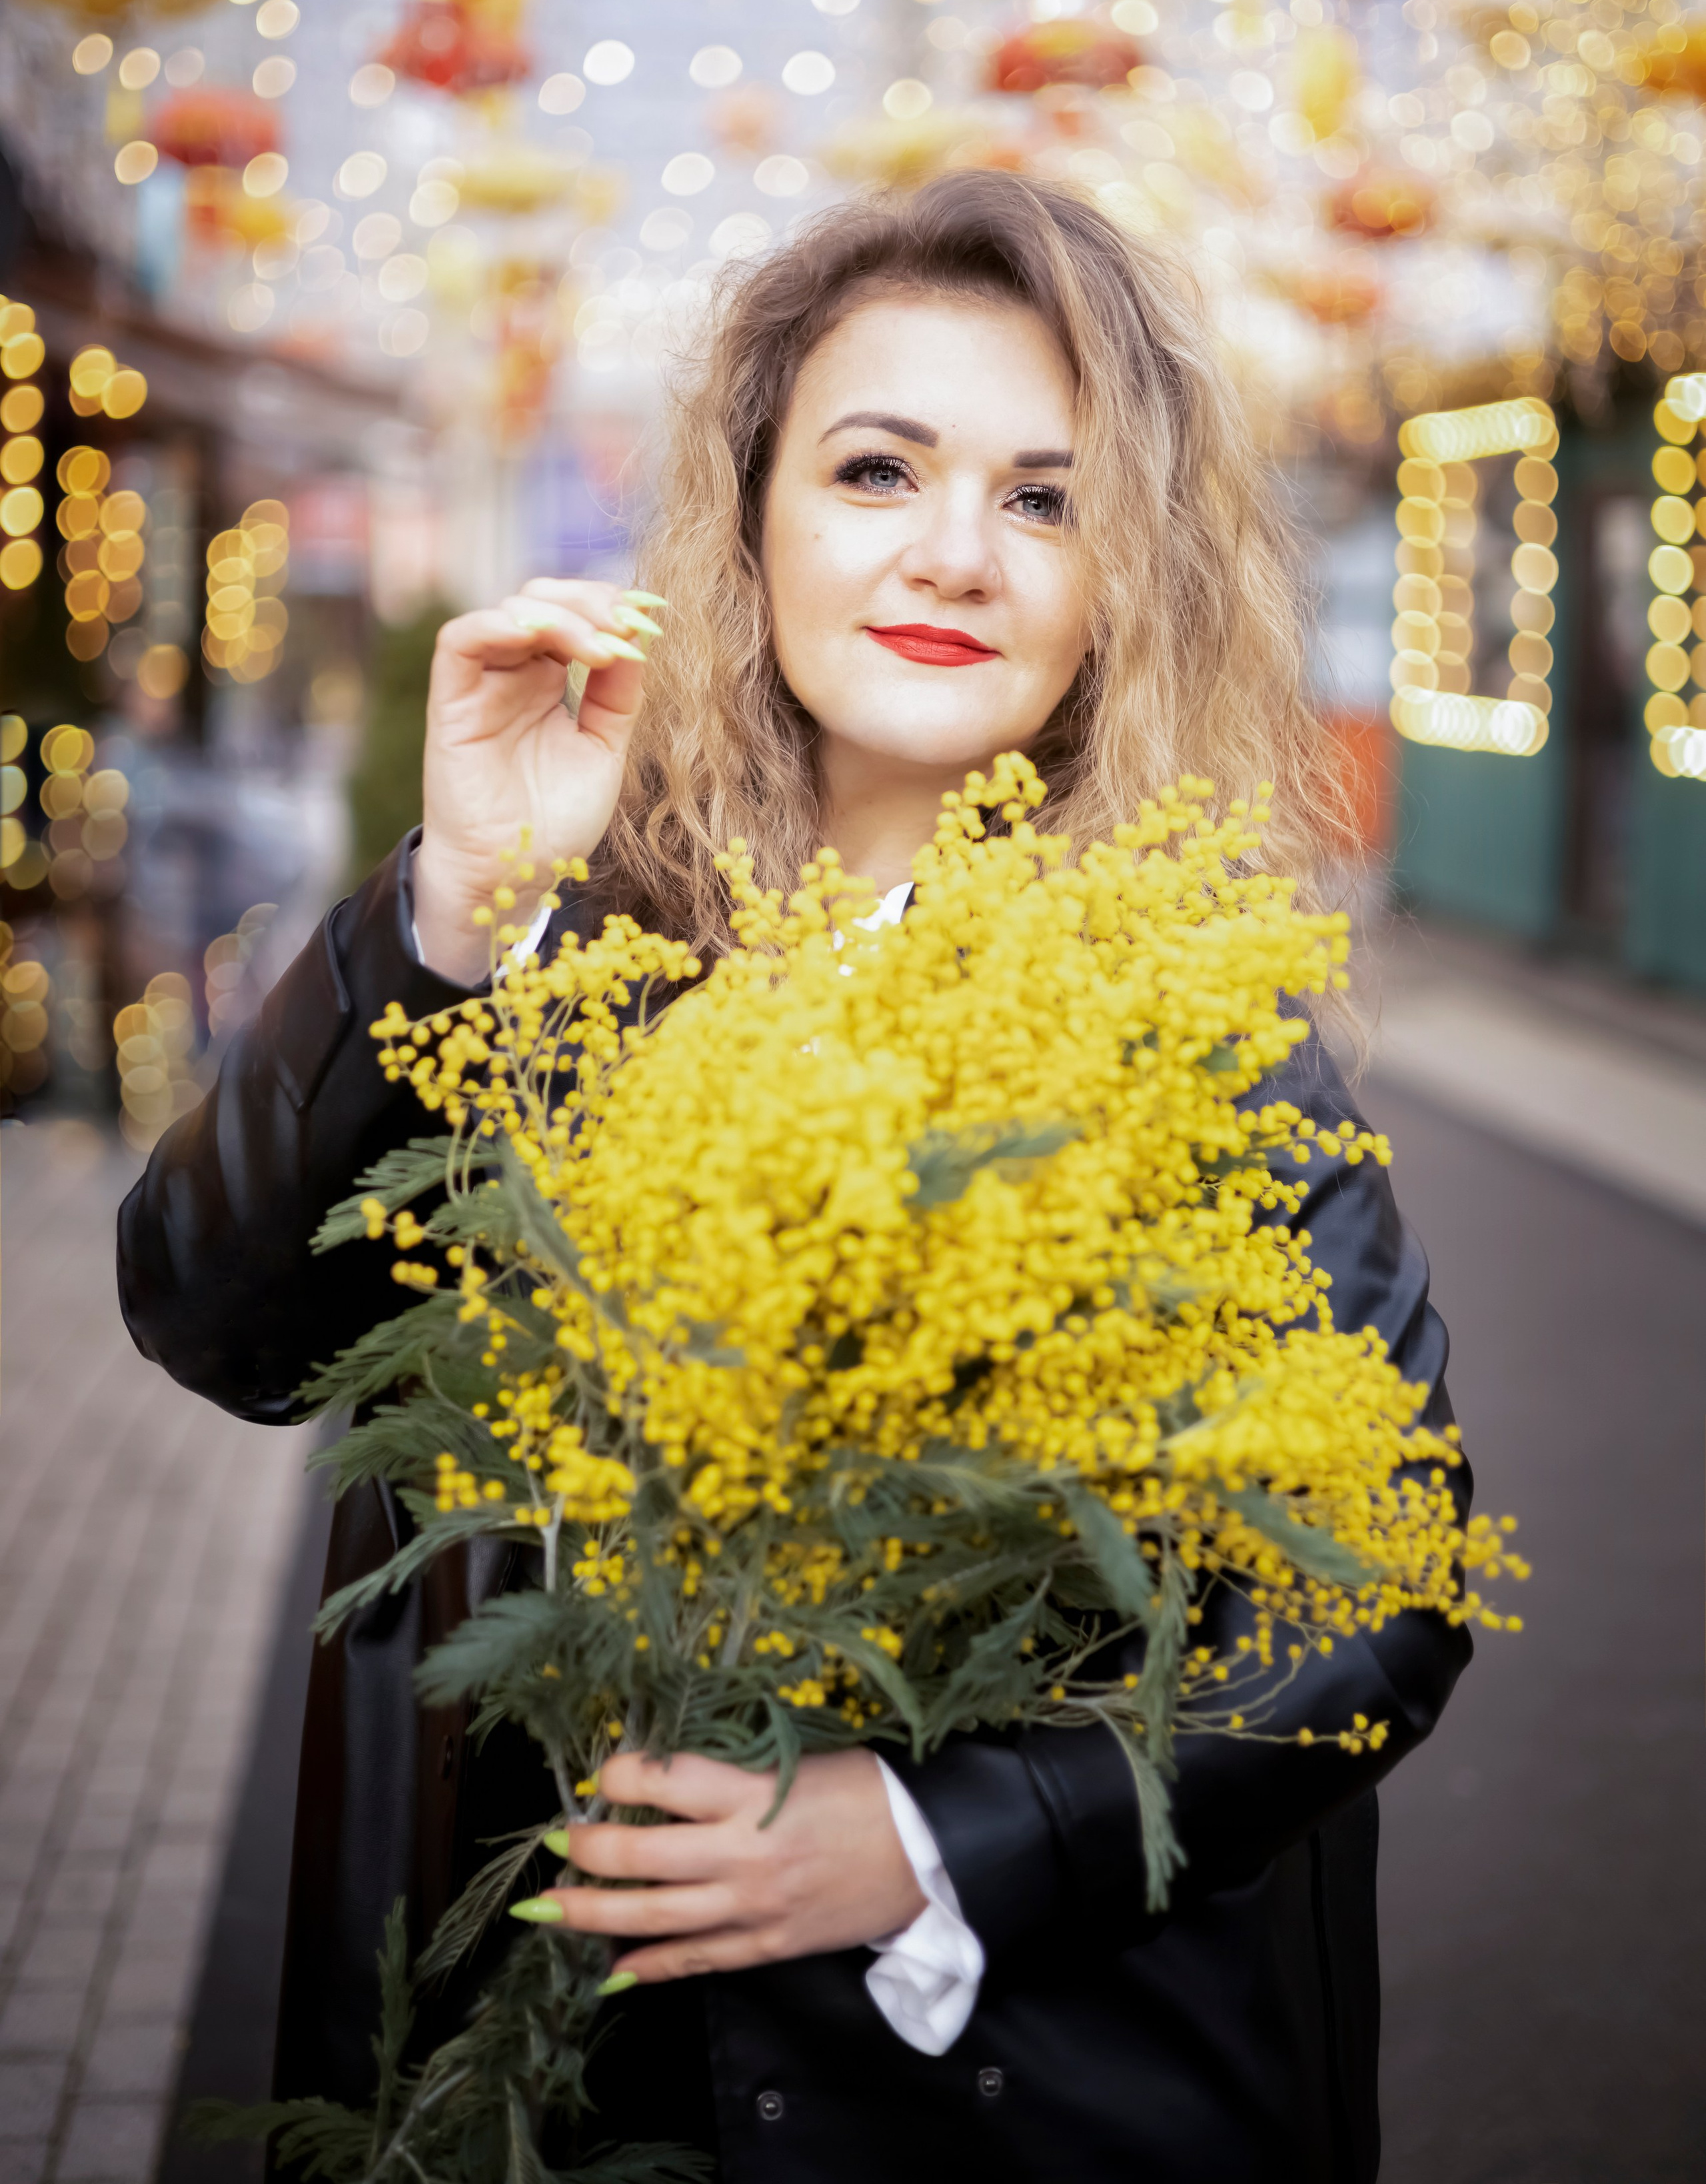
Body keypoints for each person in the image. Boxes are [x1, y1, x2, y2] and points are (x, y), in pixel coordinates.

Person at [118, 173, 1470, 2183]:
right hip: (549, 2083)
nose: (955, 553)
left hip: (1027, 2101)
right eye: (874, 469)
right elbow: (217, 1312)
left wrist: (937, 1840)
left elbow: (1380, 1588)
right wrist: (464, 894)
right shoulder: (557, 959)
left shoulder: (1204, 1026)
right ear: (749, 517)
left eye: (1046, 498)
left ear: (1126, 580)